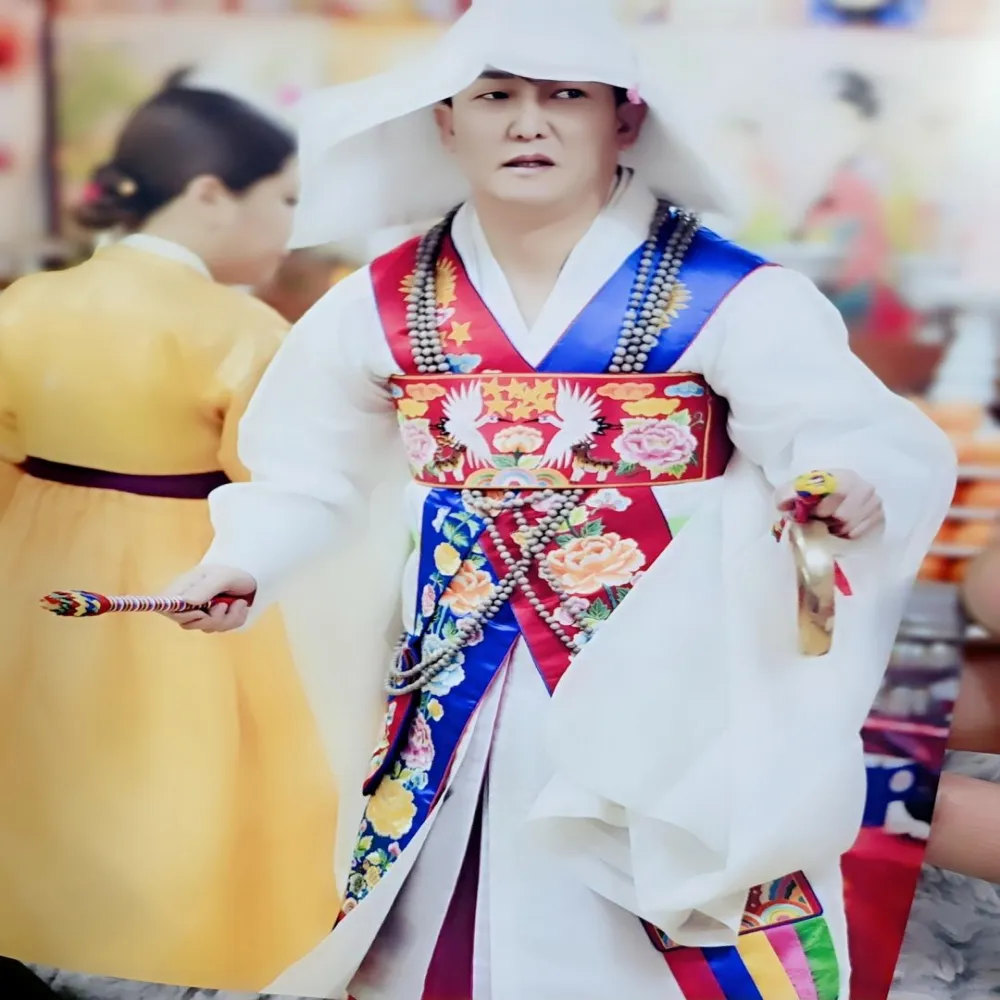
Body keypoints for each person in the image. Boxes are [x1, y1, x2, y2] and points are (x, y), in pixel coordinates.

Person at [164, 1, 954, 997]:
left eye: (564, 95)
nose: (527, 123)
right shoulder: (377, 301)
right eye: (494, 96)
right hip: (455, 681)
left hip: (662, 678)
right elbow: (306, 474)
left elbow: (838, 436)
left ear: (624, 119)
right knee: (431, 916)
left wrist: (839, 487)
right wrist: (243, 563)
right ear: (445, 120)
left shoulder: (732, 293)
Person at [0, 79, 339, 990]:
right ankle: (166, 960)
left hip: (30, 572)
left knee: (40, 768)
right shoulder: (240, 327)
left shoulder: (24, 303)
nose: (291, 227)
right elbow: (281, 481)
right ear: (209, 194)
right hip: (181, 577)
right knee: (178, 780)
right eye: (285, 198)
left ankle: (44, 942)